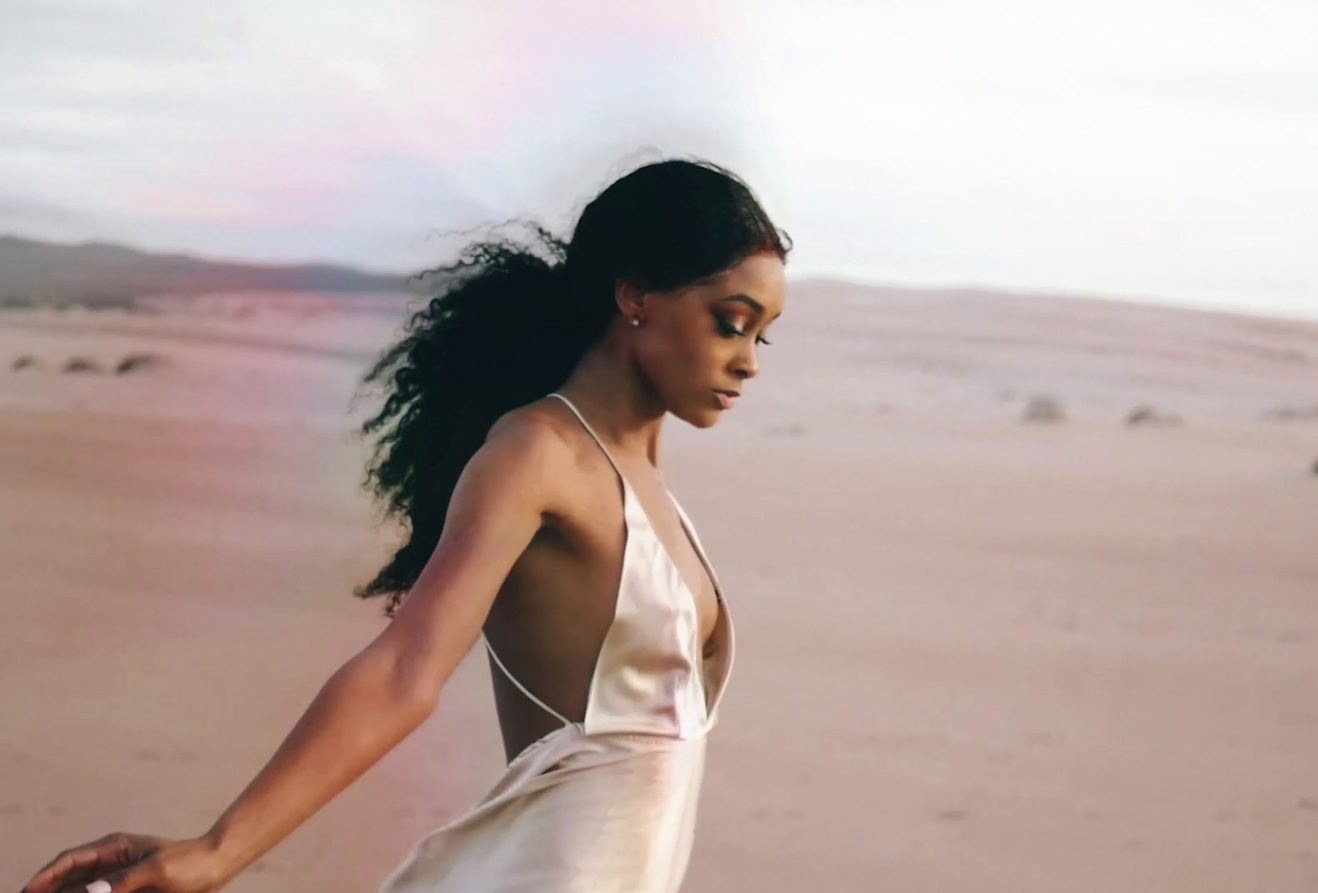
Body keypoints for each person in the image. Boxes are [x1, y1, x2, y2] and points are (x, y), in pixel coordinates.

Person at [20, 158, 790, 893]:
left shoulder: (641, 475)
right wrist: (221, 850)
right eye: (732, 323)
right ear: (636, 296)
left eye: (763, 334)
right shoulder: (537, 454)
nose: (750, 360)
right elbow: (403, 671)